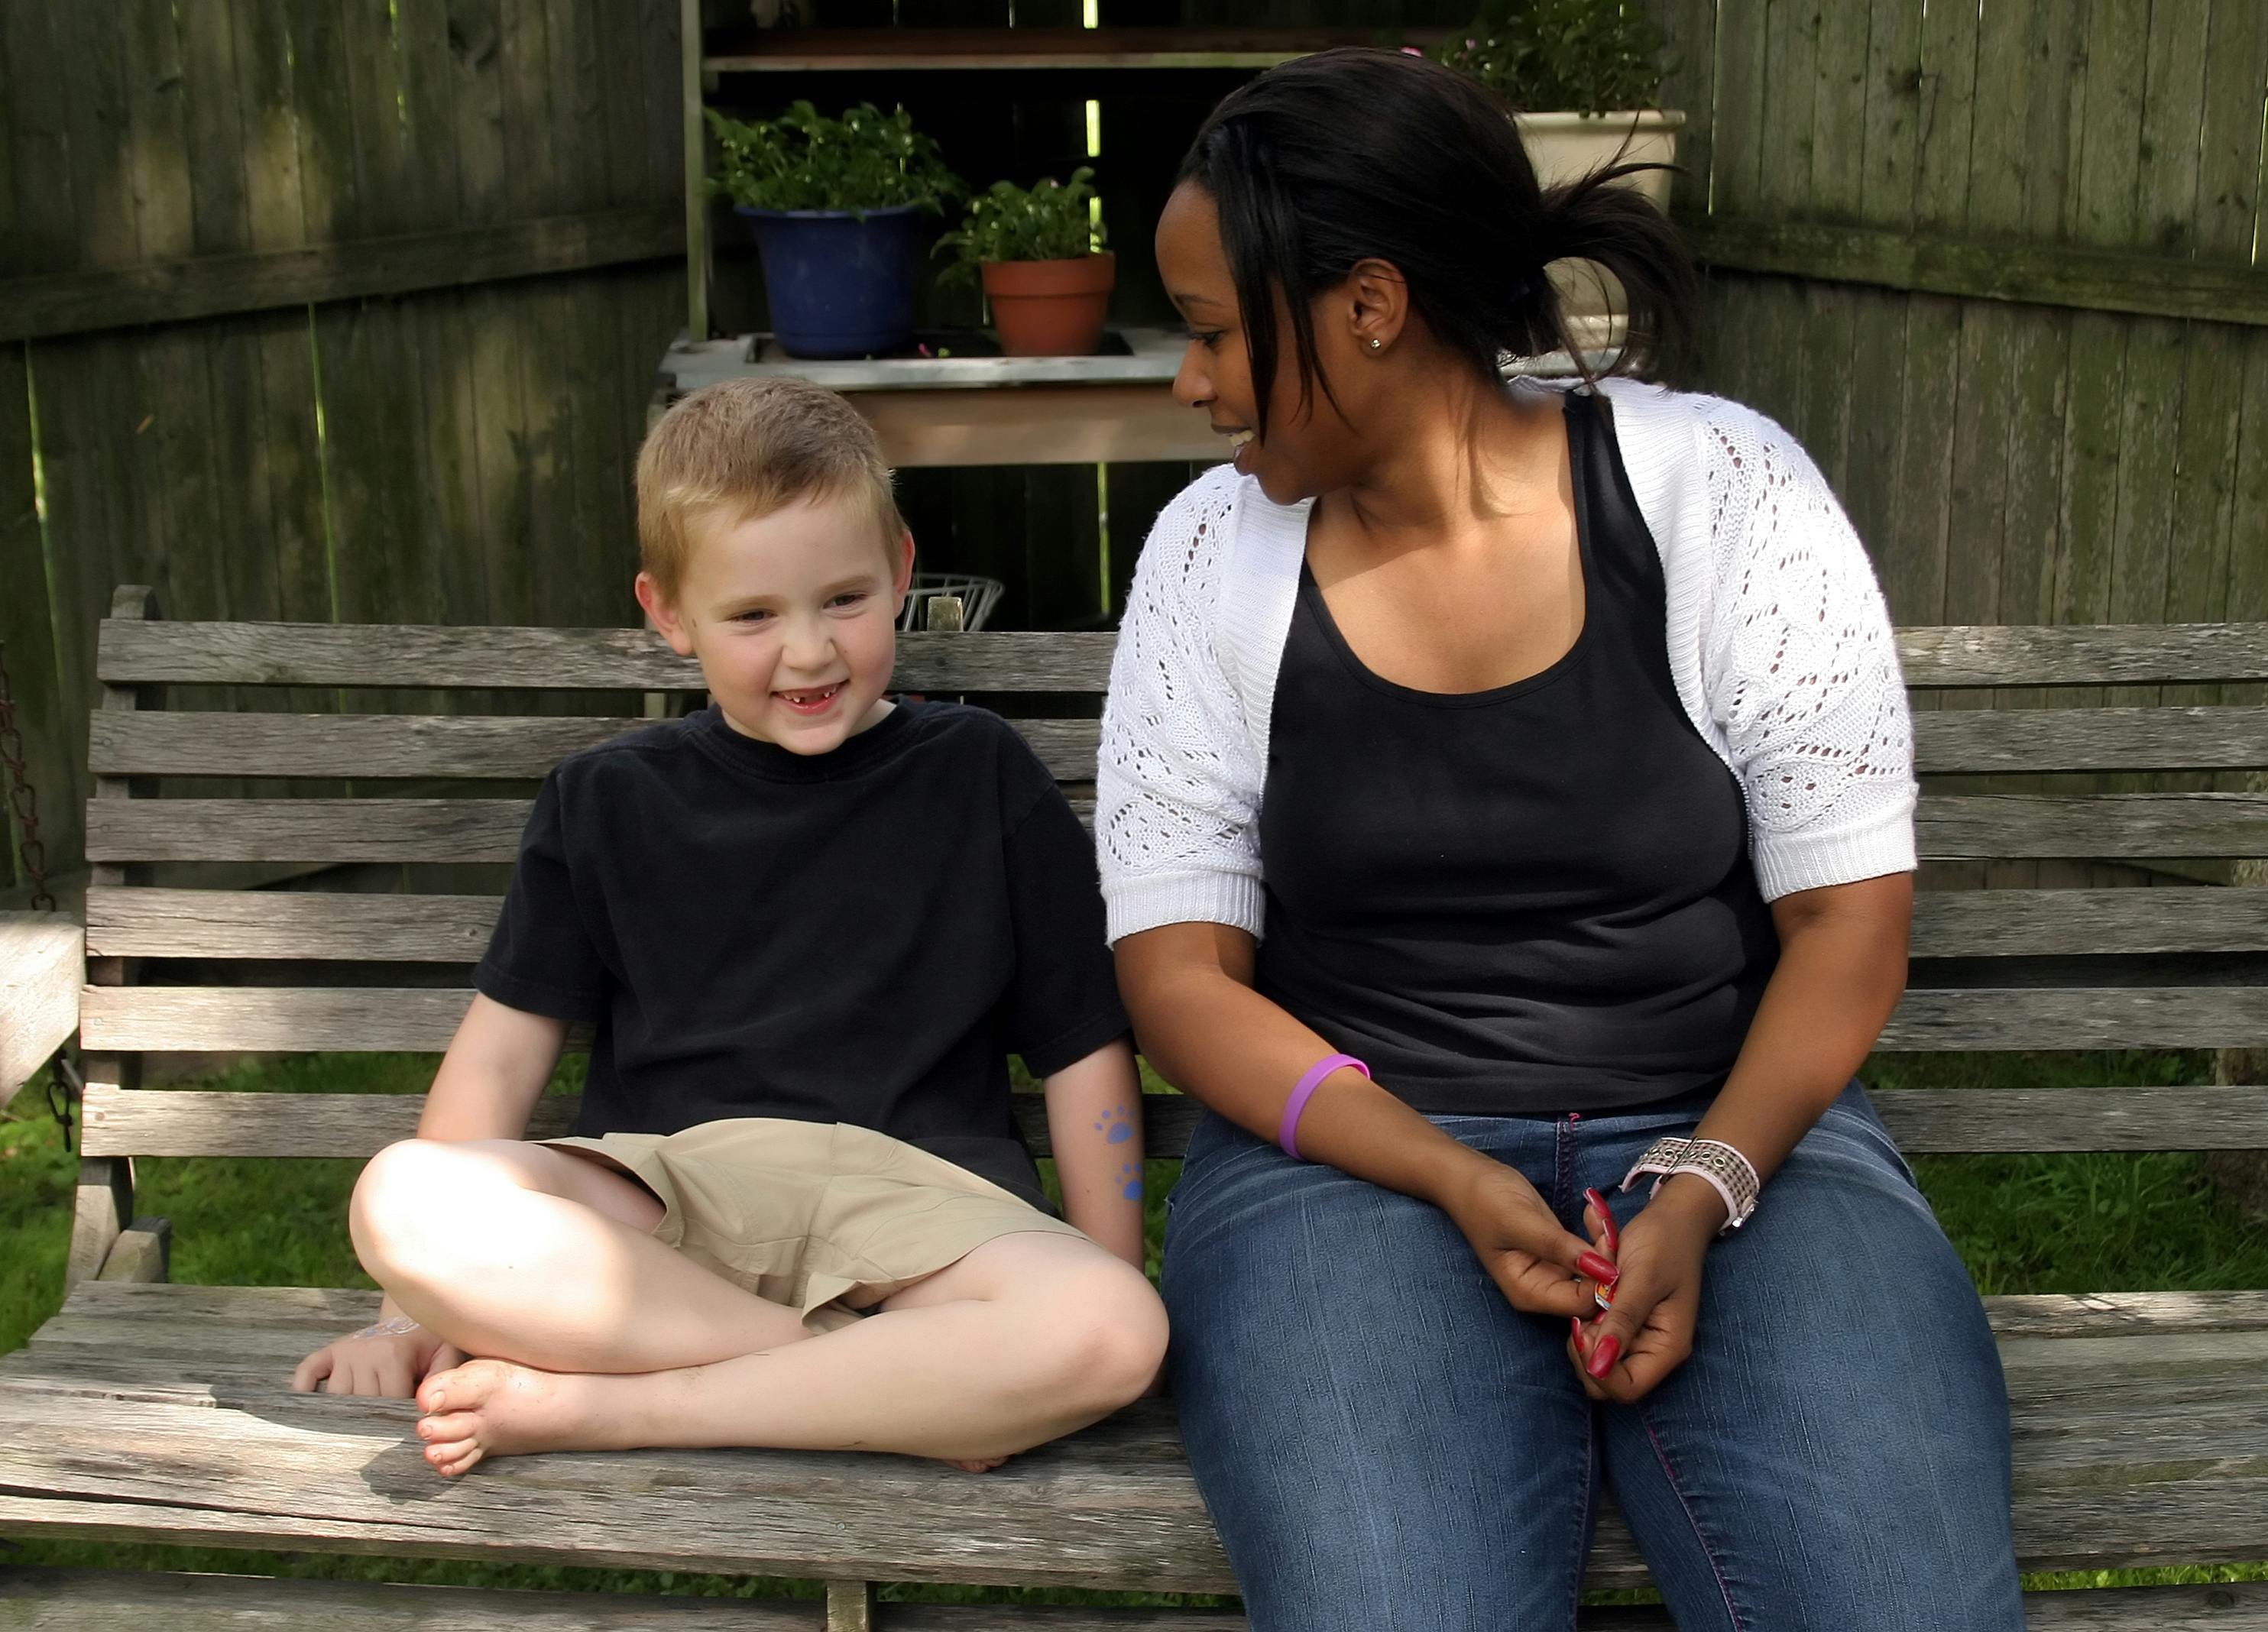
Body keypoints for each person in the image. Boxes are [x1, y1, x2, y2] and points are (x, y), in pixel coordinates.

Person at [1099, 47, 2023, 1631]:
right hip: (1351, 1170)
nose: (1188, 385)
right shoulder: (1207, 555)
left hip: (1742, 1140)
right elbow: (1179, 979)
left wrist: (1703, 1183)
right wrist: (1449, 1175)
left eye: (1204, 332)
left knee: (1900, 1601)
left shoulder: (1717, 490)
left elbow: (1845, 925)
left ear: (1366, 309)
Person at [293, 377, 1165, 1478]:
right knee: (405, 1197)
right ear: (667, 614)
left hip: (924, 1210)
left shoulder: (979, 776)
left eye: (843, 600)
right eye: (753, 616)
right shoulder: (605, 800)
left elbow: (1084, 1050)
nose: (808, 653)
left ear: (900, 571)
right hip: (671, 1206)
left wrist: (1107, 1265)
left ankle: (607, 1408)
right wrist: (398, 1314)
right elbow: (503, 1054)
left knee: (1112, 1329)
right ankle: (891, 1377)